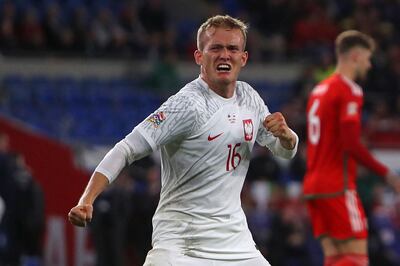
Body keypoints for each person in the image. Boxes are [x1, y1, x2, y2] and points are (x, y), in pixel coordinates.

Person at [68, 15, 298, 266]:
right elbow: (126, 149)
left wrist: (286, 136)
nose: (224, 55)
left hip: (235, 243)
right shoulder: (186, 105)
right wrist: (86, 200)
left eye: (232, 48)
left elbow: (284, 150)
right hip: (183, 244)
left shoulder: (249, 98)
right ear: (199, 57)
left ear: (243, 58)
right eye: (216, 48)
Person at [303, 30, 400, 266]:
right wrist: (387, 174)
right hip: (338, 185)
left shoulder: (319, 90)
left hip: (313, 186)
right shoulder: (349, 90)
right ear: (355, 56)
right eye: (367, 59)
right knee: (357, 259)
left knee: (335, 258)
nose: (368, 65)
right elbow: (351, 144)